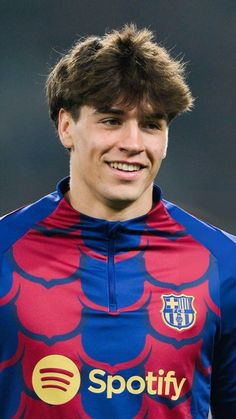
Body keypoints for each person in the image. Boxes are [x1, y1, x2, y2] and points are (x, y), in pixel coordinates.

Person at [0, 24, 235, 419]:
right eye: (111, 121)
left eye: (151, 125)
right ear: (65, 126)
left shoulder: (224, 264)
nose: (133, 143)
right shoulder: (5, 252)